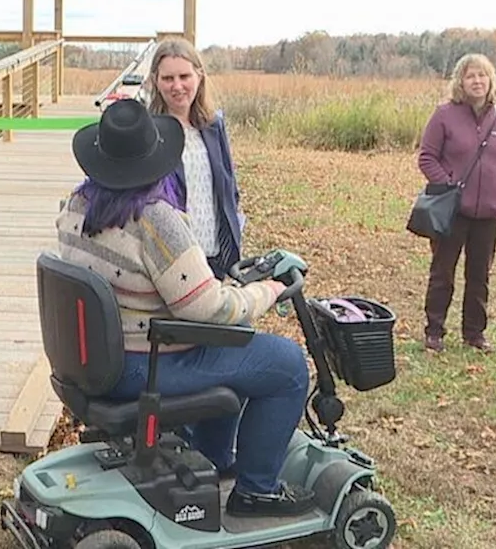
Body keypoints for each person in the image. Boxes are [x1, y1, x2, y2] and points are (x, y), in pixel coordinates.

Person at [57, 98, 315, 517]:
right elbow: (210, 309)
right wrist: (266, 291)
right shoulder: (155, 221)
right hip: (143, 367)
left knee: (233, 353)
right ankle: (257, 491)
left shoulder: (76, 207)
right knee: (284, 363)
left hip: (98, 362)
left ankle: (211, 458)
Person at [416, 53, 496, 353]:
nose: (477, 81)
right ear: (460, 82)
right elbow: (427, 156)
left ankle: (474, 333)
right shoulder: (444, 115)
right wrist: (448, 183)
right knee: (442, 273)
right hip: (452, 212)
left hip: (490, 214)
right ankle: (434, 330)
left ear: (490, 81)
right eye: (470, 76)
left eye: (483, 75)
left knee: (479, 276)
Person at [145, 37, 245, 280]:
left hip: (215, 250)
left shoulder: (213, 125)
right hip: (174, 256)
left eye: (184, 76)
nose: (177, 86)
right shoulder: (149, 131)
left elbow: (228, 184)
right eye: (168, 78)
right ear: (156, 82)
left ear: (199, 77)